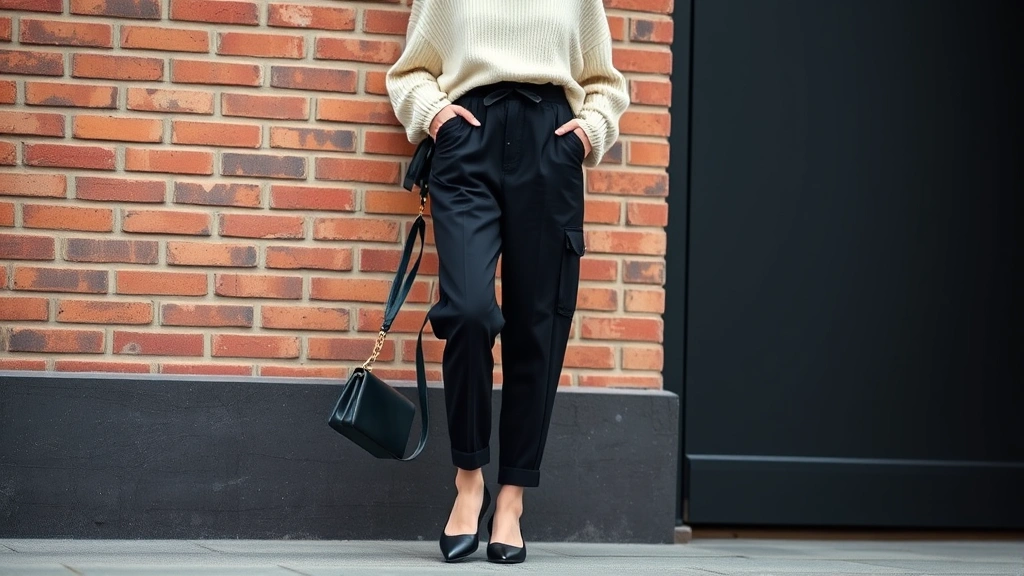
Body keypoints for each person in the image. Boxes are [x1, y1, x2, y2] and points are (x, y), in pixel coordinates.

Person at [385, 0, 629, 565]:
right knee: (468, 310)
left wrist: (586, 134)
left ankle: (512, 500)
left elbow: (604, 82)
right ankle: (469, 481)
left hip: (552, 145)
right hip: (467, 143)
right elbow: (410, 71)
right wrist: (437, 117)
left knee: (536, 329)